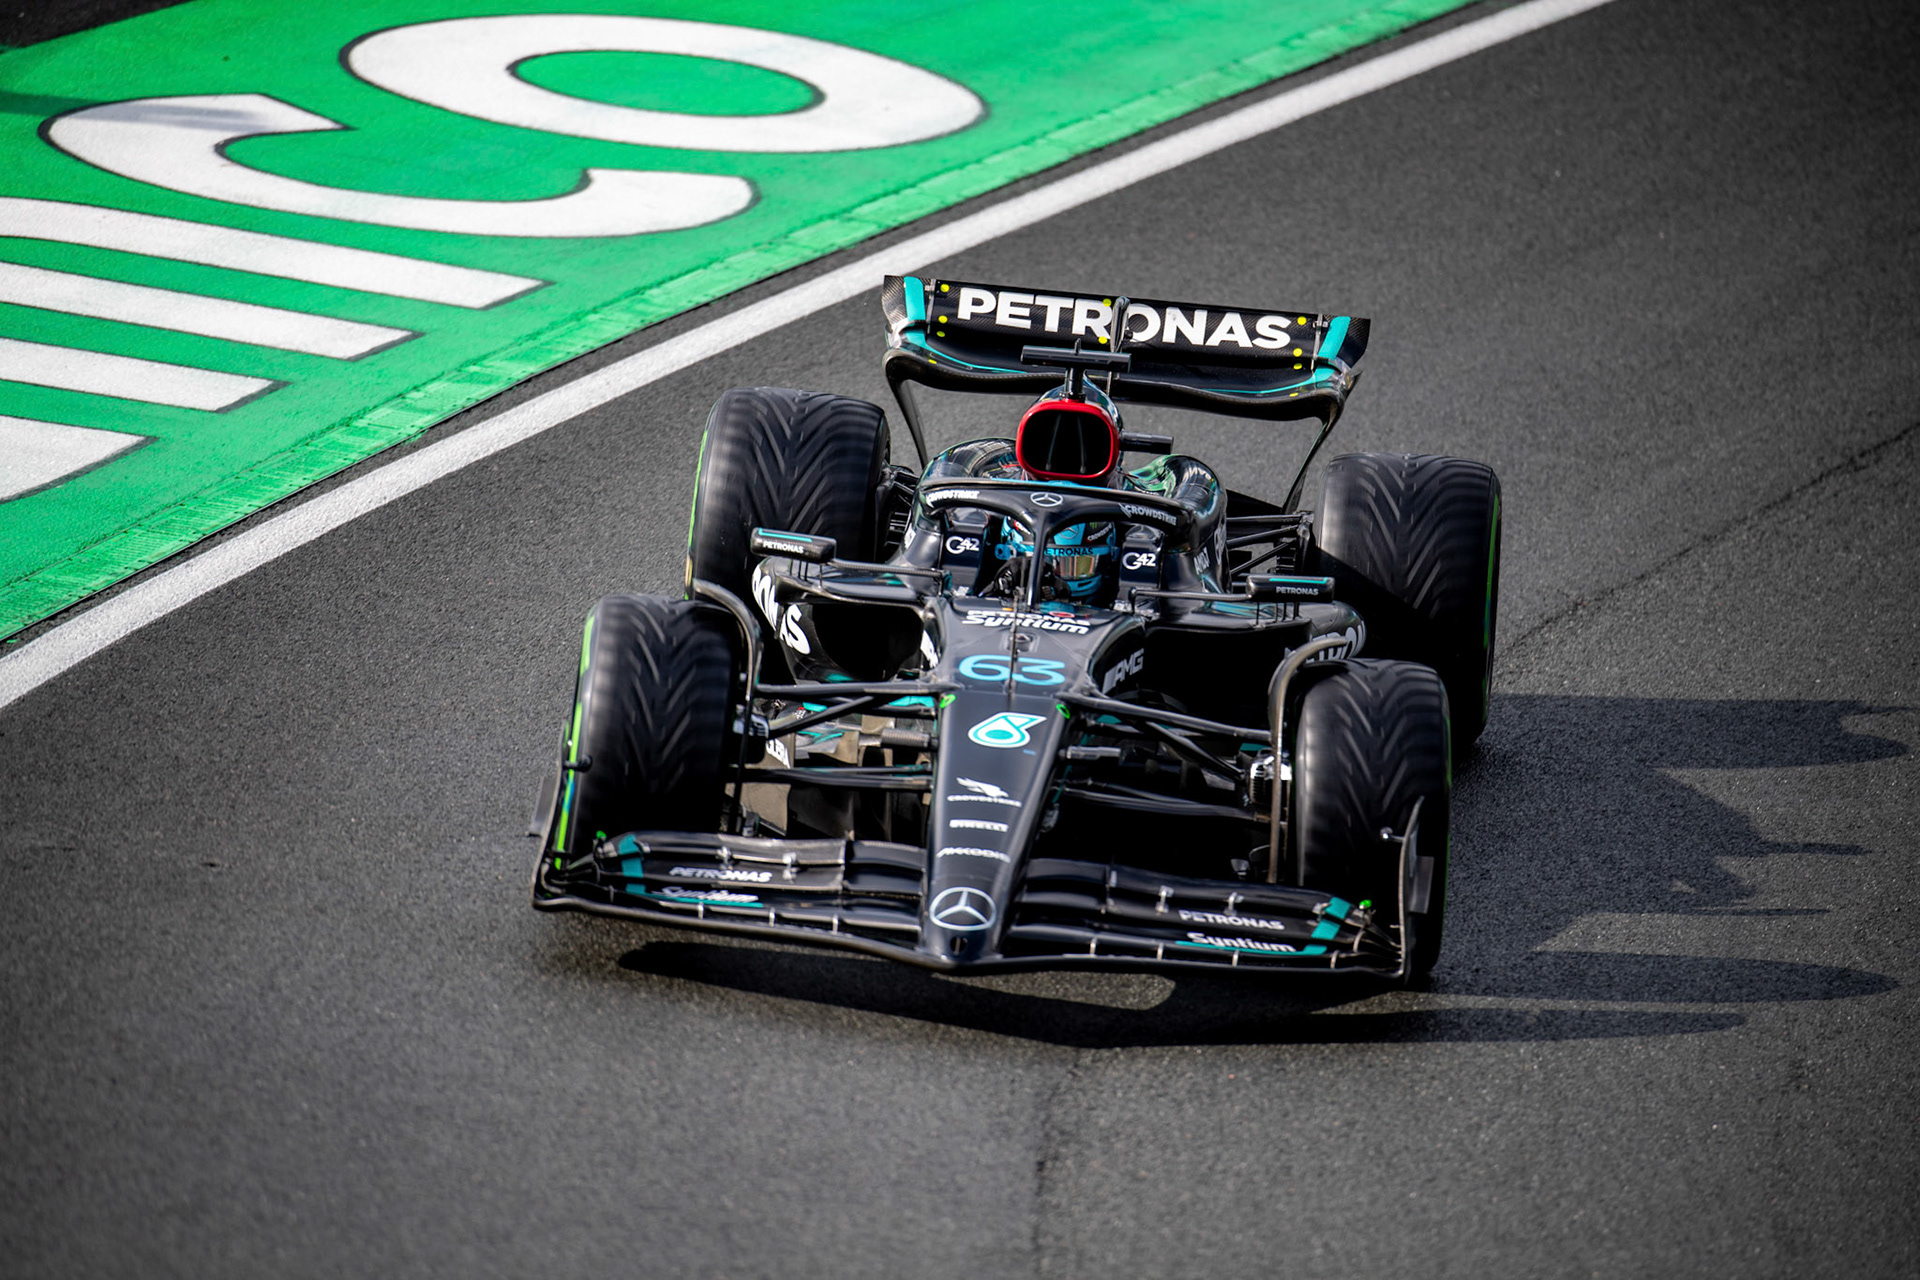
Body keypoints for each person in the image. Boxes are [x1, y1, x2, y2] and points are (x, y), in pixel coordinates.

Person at [903, 376, 1227, 604]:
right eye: (1048, 565)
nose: (1050, 584)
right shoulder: (985, 504)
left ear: (1111, 556)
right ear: (1008, 549)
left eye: (1072, 567)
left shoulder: (1145, 520)